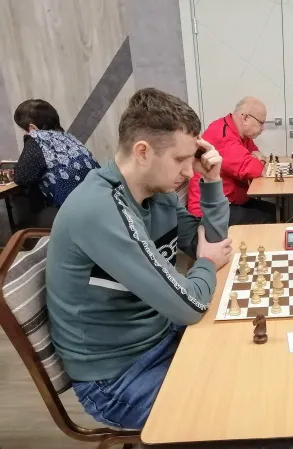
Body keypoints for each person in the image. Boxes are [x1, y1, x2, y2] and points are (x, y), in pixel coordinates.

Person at [45, 88, 232, 430]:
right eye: (180, 159)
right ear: (142, 151)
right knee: (242, 415)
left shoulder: (156, 192)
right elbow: (189, 304)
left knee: (252, 363)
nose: (189, 172)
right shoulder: (99, 210)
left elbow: (213, 243)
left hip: (160, 335)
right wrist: (205, 264)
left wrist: (212, 181)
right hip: (117, 378)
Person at [187, 96, 275, 225]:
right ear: (245, 118)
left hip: (229, 202)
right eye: (261, 123)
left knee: (274, 211)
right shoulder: (223, 136)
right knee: (268, 218)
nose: (263, 128)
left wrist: (258, 159)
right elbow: (255, 170)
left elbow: (259, 157)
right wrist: (258, 160)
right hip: (208, 210)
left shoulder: (241, 135)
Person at [12, 99, 100, 227]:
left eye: (23, 130)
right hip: (99, 205)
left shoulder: (37, 138)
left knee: (22, 214)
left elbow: (21, 177)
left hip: (74, 215)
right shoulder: (68, 137)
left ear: (32, 128)